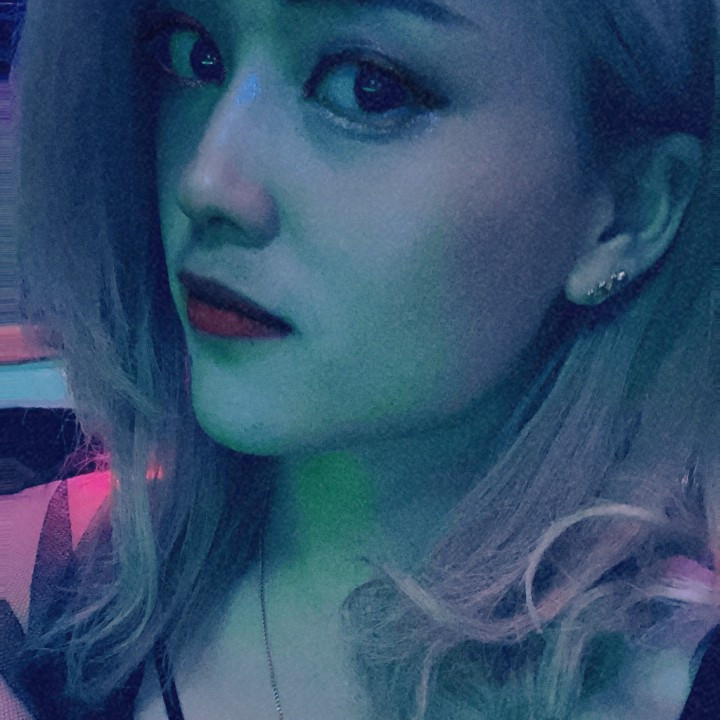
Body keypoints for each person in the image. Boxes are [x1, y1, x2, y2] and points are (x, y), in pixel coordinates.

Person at [6, 0, 720, 717]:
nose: (207, 181)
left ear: (628, 211)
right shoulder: (35, 594)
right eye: (193, 55)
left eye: (368, 88)